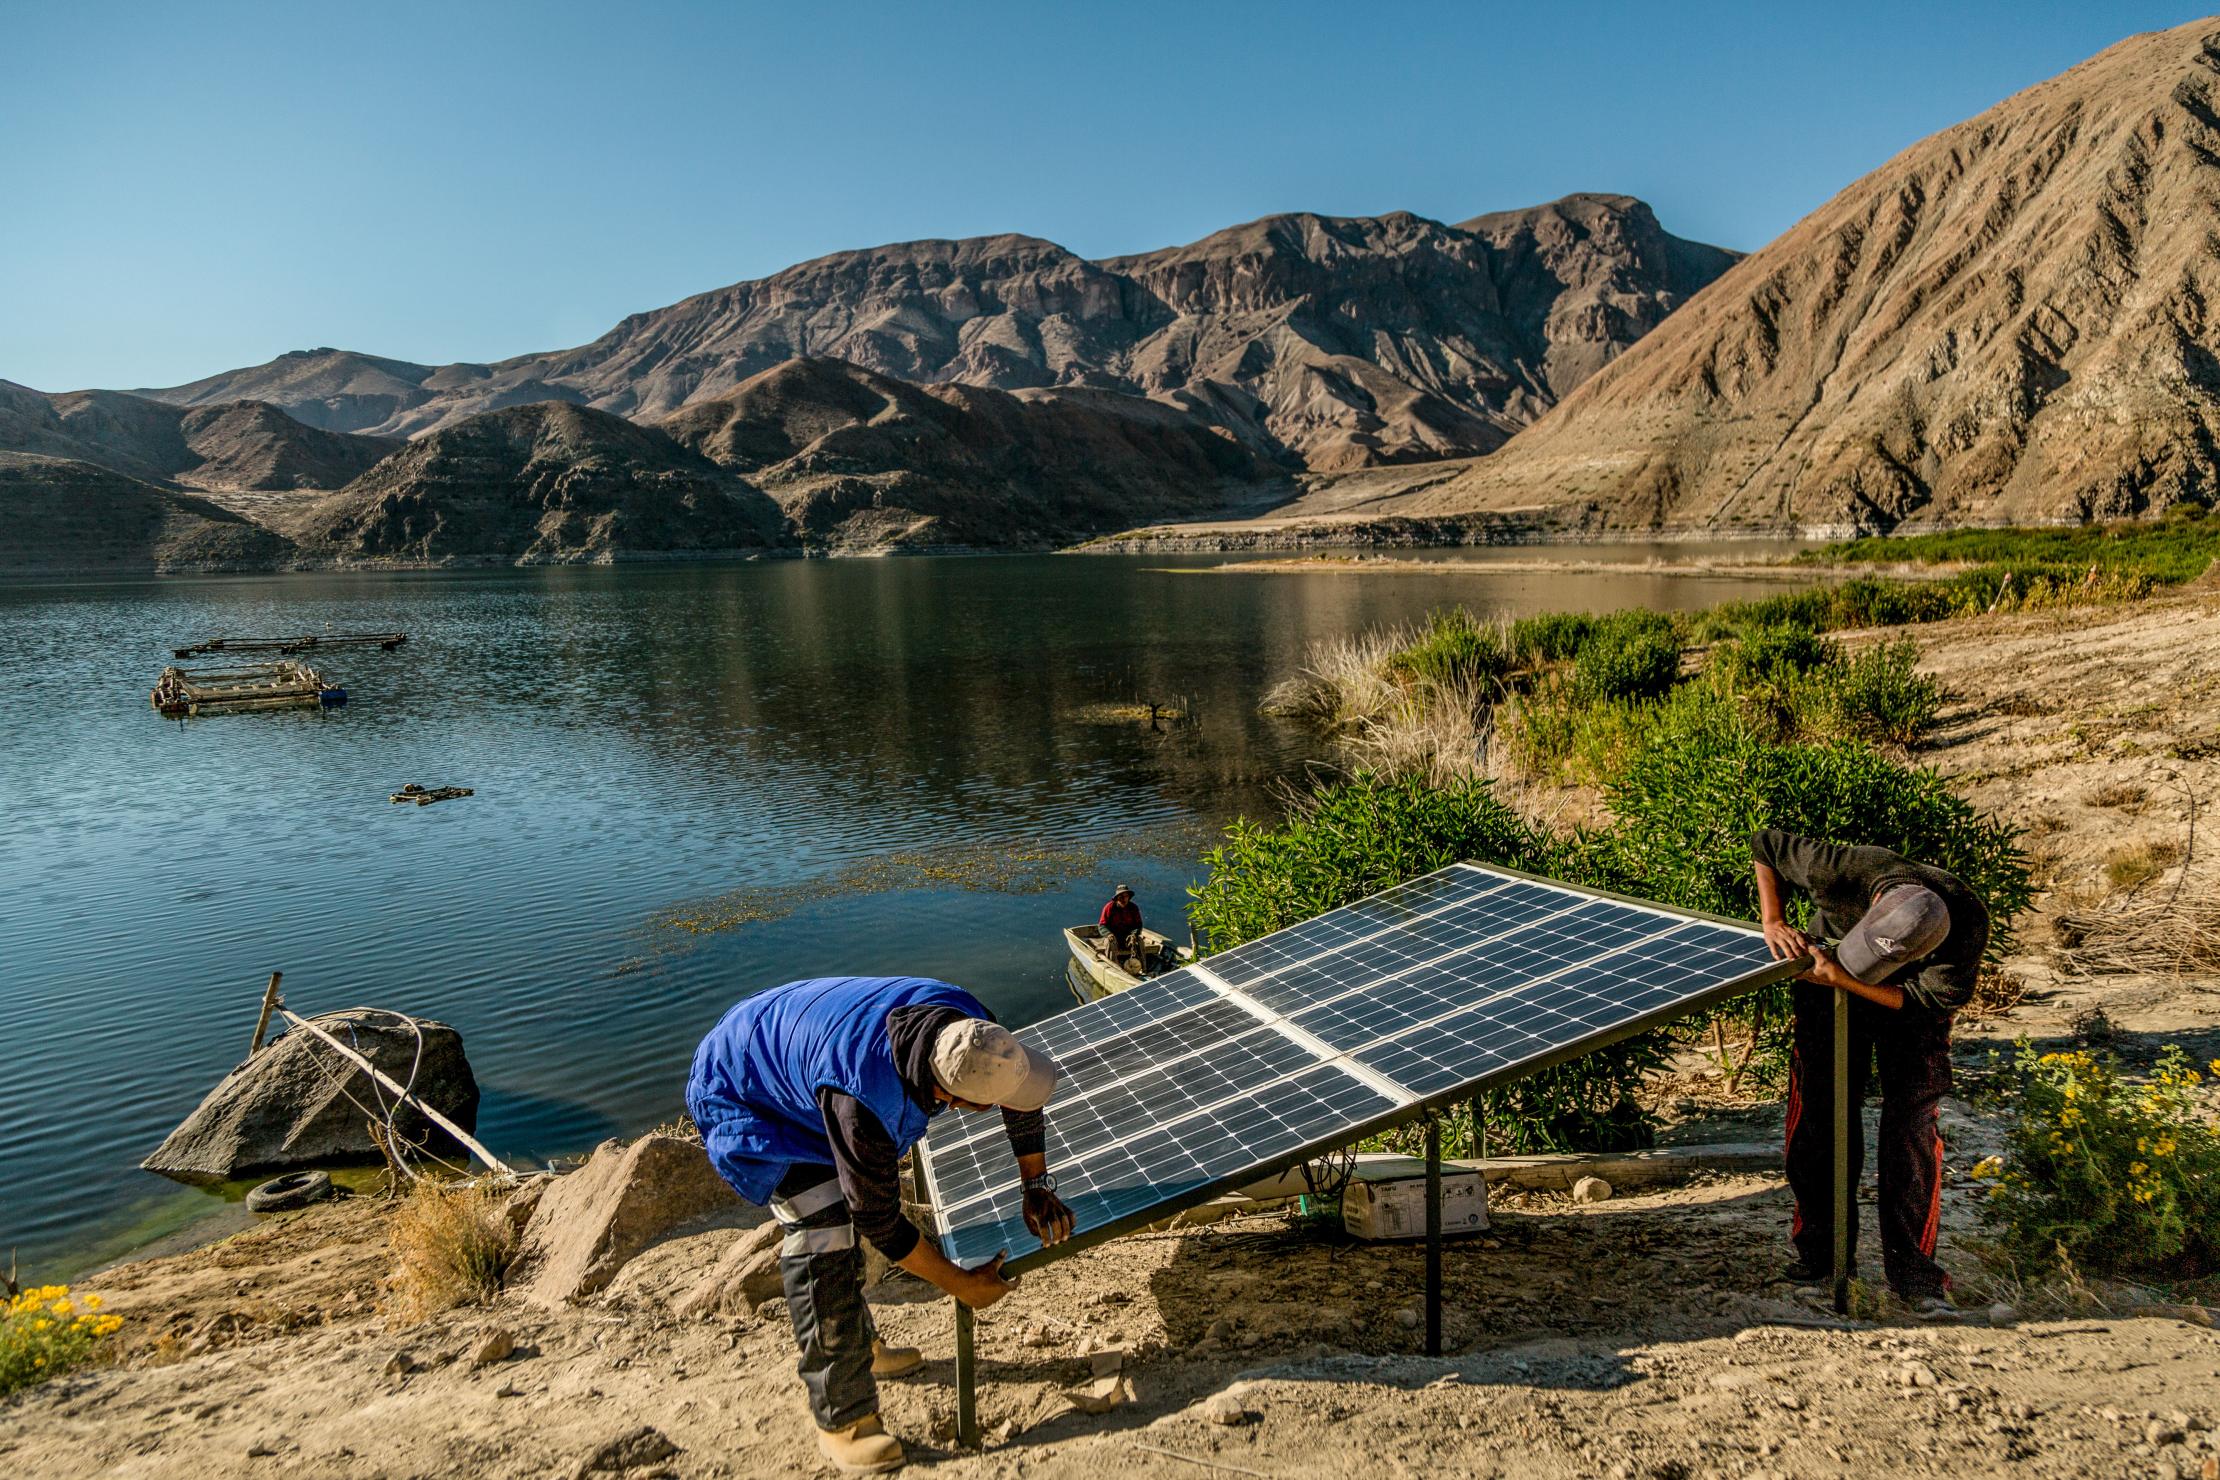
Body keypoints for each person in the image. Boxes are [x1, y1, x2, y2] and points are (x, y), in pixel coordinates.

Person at [686, 976, 1075, 1473]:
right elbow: (880, 1222)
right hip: (745, 1092)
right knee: (822, 1229)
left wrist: (1035, 1185)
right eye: (988, 1104)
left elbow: (1020, 1094)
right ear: (951, 1097)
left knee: (846, 1204)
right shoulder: (863, 1102)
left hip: (793, 1048)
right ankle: (843, 1421)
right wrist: (959, 1284)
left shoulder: (969, 1028)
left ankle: (861, 1349)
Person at [1750, 828, 1990, 1318]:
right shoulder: (1842, 869)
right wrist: (1773, 921)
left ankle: (1916, 1278)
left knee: (1911, 1130)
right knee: (1822, 1115)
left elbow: (1922, 1000)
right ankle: (1822, 1262)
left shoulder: (1966, 925)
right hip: (1826, 972)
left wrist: (1848, 980)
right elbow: (1764, 844)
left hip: (1909, 1006)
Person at [1099, 885, 1145, 965]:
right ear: (1117, 898)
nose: (1124, 899)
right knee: (1110, 943)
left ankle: (1142, 967)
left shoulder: (1133, 908)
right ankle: (1113, 967)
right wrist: (1108, 934)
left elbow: (1138, 925)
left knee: (1139, 941)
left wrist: (1134, 934)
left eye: (1126, 896)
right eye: (1121, 897)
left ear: (1128, 897)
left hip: (1127, 937)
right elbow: (1102, 925)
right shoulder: (1109, 907)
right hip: (1114, 937)